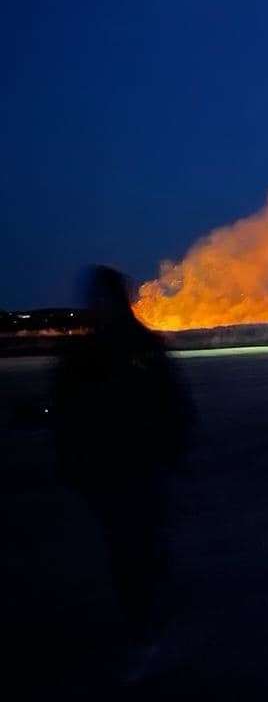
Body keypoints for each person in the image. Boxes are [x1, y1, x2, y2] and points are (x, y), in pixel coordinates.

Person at [53, 265, 193, 683]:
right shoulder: (90, 353)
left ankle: (148, 628)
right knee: (130, 549)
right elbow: (68, 412)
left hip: (139, 468)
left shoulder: (138, 348)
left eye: (99, 298)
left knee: (139, 548)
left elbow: (174, 406)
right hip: (113, 472)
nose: (94, 306)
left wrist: (174, 450)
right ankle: (149, 620)